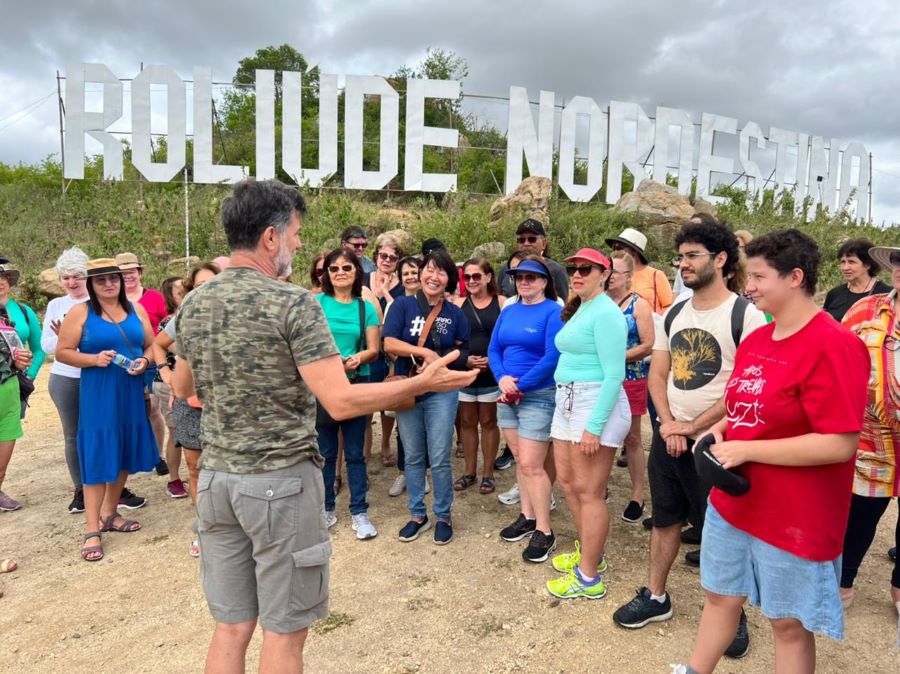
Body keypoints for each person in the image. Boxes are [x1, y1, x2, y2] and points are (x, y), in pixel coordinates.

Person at [171, 180, 474, 673]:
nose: (296, 244)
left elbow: (184, 384)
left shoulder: (195, 303)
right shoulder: (295, 304)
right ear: (270, 237)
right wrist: (423, 384)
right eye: (293, 234)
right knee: (285, 633)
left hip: (218, 481)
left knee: (230, 627)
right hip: (279, 485)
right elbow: (340, 400)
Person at [679, 229, 869, 674]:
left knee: (787, 623)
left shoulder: (835, 345)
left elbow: (839, 443)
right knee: (720, 597)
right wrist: (720, 431)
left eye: (760, 276)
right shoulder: (758, 339)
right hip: (735, 502)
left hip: (794, 515)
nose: (749, 286)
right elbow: (744, 405)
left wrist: (749, 451)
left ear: (795, 277)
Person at [612, 218, 766, 659]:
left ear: (720, 259)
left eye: (692, 256)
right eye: (680, 257)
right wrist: (666, 424)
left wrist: (692, 428)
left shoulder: (746, 315)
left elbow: (742, 386)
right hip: (669, 435)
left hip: (715, 443)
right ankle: (657, 596)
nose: (683, 265)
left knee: (721, 531)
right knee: (664, 520)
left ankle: (733, 616)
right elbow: (658, 372)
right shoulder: (675, 313)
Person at [55, 258, 159, 561]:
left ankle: (110, 514)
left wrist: (145, 362)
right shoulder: (80, 312)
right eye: (101, 281)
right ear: (92, 284)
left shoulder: (135, 310)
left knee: (124, 449)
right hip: (99, 392)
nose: (109, 284)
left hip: (130, 389)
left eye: (113, 278)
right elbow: (62, 352)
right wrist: (93, 359)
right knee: (99, 454)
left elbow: (153, 345)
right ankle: (91, 529)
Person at [546, 248, 630, 598]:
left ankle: (589, 577)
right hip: (568, 400)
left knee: (589, 491)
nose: (577, 274)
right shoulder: (583, 307)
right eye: (573, 269)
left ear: (604, 273)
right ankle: (590, 554)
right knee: (567, 483)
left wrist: (594, 426)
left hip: (593, 402)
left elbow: (615, 375)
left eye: (585, 269)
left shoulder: (608, 313)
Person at [384, 249, 471, 545]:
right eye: (429, 270)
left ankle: (443, 515)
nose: (434, 277)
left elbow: (464, 349)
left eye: (442, 272)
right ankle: (417, 514)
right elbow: (389, 342)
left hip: (442, 392)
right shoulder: (402, 306)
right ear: (420, 273)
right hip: (409, 388)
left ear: (449, 279)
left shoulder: (455, 313)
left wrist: (440, 363)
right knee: (413, 454)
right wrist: (423, 353)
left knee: (440, 456)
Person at [489, 256, 563, 563]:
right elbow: (494, 349)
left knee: (533, 464)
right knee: (520, 459)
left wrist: (521, 386)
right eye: (519, 277)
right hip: (507, 393)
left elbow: (552, 356)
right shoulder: (509, 310)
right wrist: (502, 378)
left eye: (531, 278)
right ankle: (527, 515)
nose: (524, 282)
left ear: (545, 281)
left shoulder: (553, 311)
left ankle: (544, 531)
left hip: (537, 395)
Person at [839, 244, 900, 615]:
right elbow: (839, 355)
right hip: (870, 438)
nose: (899, 268)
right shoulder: (866, 308)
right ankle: (843, 582)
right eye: (898, 261)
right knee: (859, 515)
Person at [154, 262, 221, 558]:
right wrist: (165, 373)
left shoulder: (234, 315)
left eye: (212, 283)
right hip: (189, 405)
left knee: (225, 469)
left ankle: (229, 529)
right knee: (195, 469)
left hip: (224, 406)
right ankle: (205, 529)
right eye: (199, 284)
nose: (206, 289)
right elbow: (158, 344)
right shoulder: (182, 316)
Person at [317, 248, 380, 538]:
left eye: (346, 267)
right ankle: (326, 509)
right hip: (324, 384)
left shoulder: (364, 307)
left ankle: (359, 511)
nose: (340, 272)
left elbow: (374, 349)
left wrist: (358, 358)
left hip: (355, 382)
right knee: (326, 452)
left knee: (355, 452)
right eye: (334, 268)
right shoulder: (316, 304)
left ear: (357, 271)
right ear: (326, 274)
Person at [41, 247, 91, 513]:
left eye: (77, 276)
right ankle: (80, 488)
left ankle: (112, 486)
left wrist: (70, 340)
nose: (71, 283)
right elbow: (47, 345)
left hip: (96, 378)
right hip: (65, 379)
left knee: (101, 432)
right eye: (65, 277)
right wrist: (66, 340)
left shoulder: (98, 302)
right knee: (72, 435)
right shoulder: (56, 305)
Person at [605, 250, 655, 522]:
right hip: (600, 378)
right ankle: (601, 487)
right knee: (601, 433)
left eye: (615, 272)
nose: (610, 277)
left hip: (631, 377)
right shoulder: (597, 302)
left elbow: (648, 343)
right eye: (607, 271)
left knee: (632, 437)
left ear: (628, 277)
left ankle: (638, 494)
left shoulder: (639, 305)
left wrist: (616, 357)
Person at [453, 257, 506, 495]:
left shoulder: (502, 303)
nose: (472, 281)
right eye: (467, 277)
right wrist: (466, 359)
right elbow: (453, 339)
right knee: (466, 422)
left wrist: (494, 362)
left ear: (488, 277)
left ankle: (488, 473)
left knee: (488, 422)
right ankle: (469, 471)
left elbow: (507, 338)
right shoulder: (458, 303)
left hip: (492, 373)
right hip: (465, 372)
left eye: (476, 276)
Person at [115, 252, 169, 476]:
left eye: (131, 271)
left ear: (140, 272)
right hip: (121, 362)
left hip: (152, 359)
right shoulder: (110, 301)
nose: (128, 276)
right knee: (131, 410)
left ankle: (157, 455)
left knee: (154, 408)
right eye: (123, 273)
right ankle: (133, 455)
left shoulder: (155, 297)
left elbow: (167, 324)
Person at [0, 260, 45, 512]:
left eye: (5, 276)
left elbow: (38, 349)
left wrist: (29, 374)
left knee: (6, 439)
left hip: (13, 386)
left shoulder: (23, 312)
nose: (1, 281)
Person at [365, 233, 405, 467]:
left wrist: (387, 294)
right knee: (368, 400)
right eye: (383, 255)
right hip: (368, 348)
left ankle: (386, 443)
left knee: (388, 403)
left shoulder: (400, 287)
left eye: (393, 257)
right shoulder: (364, 280)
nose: (387, 260)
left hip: (390, 350)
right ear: (376, 256)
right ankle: (365, 451)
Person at [386, 255, 424, 498]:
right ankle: (403, 472)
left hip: (429, 371)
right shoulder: (397, 305)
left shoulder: (434, 302)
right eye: (405, 273)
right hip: (403, 370)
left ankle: (422, 474)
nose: (411, 277)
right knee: (405, 424)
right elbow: (388, 343)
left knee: (428, 425)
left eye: (414, 271)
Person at [605, 227, 673, 314]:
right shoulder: (610, 273)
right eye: (614, 247)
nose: (615, 251)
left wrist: (648, 319)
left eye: (619, 247)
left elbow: (669, 307)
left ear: (634, 252)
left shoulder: (655, 275)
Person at [823, 238, 890, 322]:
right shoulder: (834, 294)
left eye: (851, 262)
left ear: (867, 265)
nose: (845, 268)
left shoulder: (886, 294)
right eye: (843, 262)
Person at [498, 219, 568, 300]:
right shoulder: (506, 268)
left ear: (544, 244)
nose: (526, 243)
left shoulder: (556, 270)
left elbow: (563, 303)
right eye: (521, 240)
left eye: (532, 239)